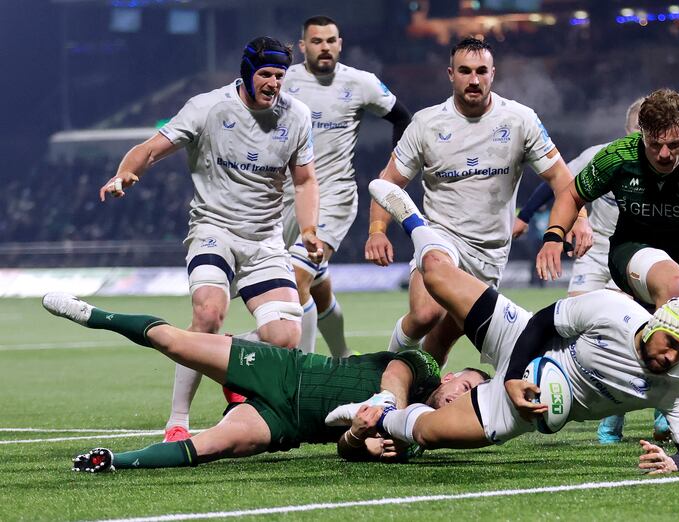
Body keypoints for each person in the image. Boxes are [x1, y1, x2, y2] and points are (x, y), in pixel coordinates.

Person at [347, 179, 679, 474]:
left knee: (426, 433)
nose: (671, 355)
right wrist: (512, 377)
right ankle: (414, 221)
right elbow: (543, 321)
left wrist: (674, 462)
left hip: (524, 409)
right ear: (655, 324)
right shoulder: (612, 308)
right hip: (522, 338)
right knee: (438, 276)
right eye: (670, 342)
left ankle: (384, 415)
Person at [98, 36, 325, 442]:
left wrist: (308, 229)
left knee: (284, 337)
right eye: (266, 75)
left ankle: (227, 352)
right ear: (247, 72)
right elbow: (150, 149)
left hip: (264, 241)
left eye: (280, 76)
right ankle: (178, 422)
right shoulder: (208, 107)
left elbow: (305, 179)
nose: (274, 84)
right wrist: (125, 174)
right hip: (213, 229)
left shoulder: (298, 116)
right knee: (207, 314)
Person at [40, 292, 488, 472]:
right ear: (450, 376)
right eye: (464, 387)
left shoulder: (416, 436)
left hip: (285, 423)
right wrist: (389, 404)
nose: (456, 397)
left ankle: (115, 460)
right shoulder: (425, 368)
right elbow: (397, 372)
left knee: (211, 447)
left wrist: (358, 439)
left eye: (466, 400)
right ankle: (94, 315)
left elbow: (348, 450)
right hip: (284, 368)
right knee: (176, 343)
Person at [364, 37, 591, 365]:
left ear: (492, 74)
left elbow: (562, 179)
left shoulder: (519, 120)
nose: (474, 79)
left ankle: (418, 392)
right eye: (465, 71)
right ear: (450, 74)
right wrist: (376, 230)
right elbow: (388, 183)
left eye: (481, 71)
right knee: (426, 314)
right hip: (440, 240)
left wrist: (580, 220)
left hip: (489, 254)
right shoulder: (426, 124)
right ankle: (383, 370)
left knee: (442, 339)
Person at [536, 88, 679, 359]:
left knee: (671, 359)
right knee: (673, 287)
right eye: (655, 144)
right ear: (641, 134)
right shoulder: (619, 156)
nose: (664, 154)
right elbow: (571, 193)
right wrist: (553, 237)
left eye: (674, 144)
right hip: (631, 251)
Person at [514, 98, 649, 443]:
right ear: (627, 129)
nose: (641, 139)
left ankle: (618, 421)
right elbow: (557, 183)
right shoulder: (600, 156)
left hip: (633, 254)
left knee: (626, 332)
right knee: (573, 325)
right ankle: (585, 402)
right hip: (593, 251)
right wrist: (524, 217)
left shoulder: (658, 167)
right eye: (637, 130)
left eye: (647, 132)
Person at [279, 15, 411, 355]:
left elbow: (401, 116)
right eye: (317, 41)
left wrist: (395, 166)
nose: (325, 47)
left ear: (340, 44)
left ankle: (299, 375)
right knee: (317, 285)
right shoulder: (282, 81)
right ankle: (342, 356)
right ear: (302, 46)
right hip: (285, 200)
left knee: (296, 278)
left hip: (334, 198)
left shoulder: (360, 82)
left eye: (331, 40)